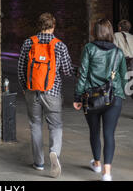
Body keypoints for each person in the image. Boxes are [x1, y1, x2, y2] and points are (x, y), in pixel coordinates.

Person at [18, 12, 74, 178]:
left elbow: (21, 68)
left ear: (39, 26)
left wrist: (24, 87)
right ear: (53, 26)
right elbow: (67, 70)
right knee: (55, 125)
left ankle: (39, 163)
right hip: (52, 92)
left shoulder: (29, 42)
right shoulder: (59, 45)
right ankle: (54, 152)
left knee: (35, 124)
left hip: (32, 90)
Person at [73, 18, 127, 181]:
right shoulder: (118, 52)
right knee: (109, 133)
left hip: (92, 97)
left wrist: (78, 96)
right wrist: (118, 91)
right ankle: (107, 172)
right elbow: (123, 76)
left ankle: (97, 163)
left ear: (95, 32)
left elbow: (82, 73)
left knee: (94, 131)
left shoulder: (89, 48)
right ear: (110, 32)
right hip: (114, 97)